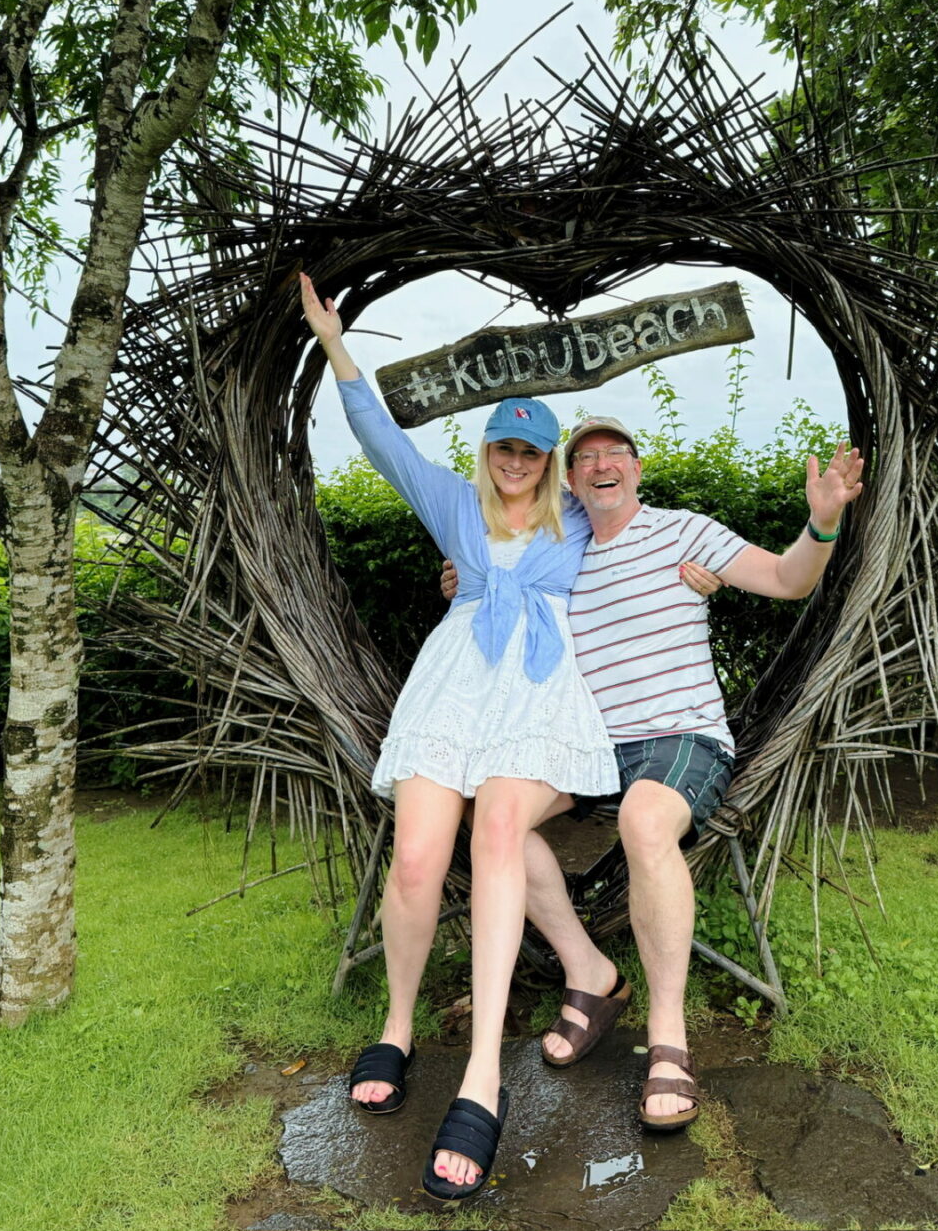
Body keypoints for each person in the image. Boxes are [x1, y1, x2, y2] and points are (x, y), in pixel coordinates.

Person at [444, 412, 864, 1129]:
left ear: (637, 468)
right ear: (570, 482)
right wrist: (465, 576)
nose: (602, 463)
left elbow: (788, 579)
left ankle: (669, 1037)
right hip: (590, 746)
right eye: (585, 458)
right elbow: (501, 581)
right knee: (495, 818)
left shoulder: (683, 532)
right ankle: (592, 972)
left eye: (617, 453)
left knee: (644, 819)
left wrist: (820, 524)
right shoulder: (562, 548)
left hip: (680, 737)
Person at [299, 274, 623, 1201]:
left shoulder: (580, 523)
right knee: (414, 859)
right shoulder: (454, 507)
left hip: (538, 703)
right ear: (486, 452)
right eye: (504, 444)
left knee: (494, 839)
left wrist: (700, 572)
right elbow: (380, 440)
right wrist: (335, 344)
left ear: (551, 458)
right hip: (450, 695)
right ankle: (398, 1028)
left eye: (533, 446)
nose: (516, 457)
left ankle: (483, 1071)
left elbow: (644, 524)